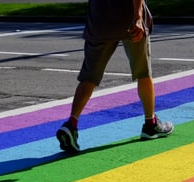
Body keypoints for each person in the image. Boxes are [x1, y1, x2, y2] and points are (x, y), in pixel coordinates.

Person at [56, 0, 173, 153]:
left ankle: (71, 124)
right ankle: (150, 124)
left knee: (88, 77)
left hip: (99, 22)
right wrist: (138, 17)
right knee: (143, 73)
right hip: (129, 20)